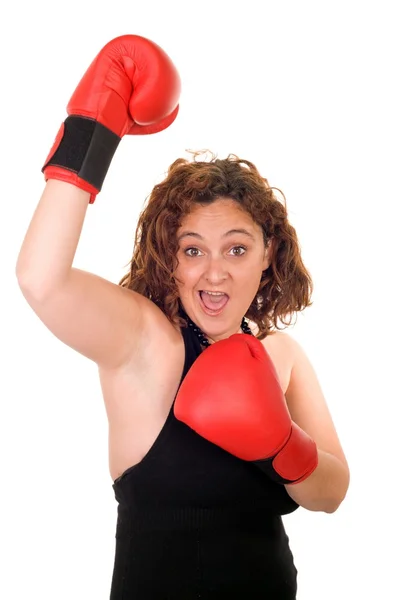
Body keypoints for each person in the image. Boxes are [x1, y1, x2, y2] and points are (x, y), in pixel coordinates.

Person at [16, 34, 350, 600]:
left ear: (269, 256)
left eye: (236, 249)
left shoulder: (282, 356)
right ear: (168, 258)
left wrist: (281, 445)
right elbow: (40, 279)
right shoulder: (146, 341)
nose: (213, 272)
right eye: (192, 249)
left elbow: (332, 492)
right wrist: (93, 127)